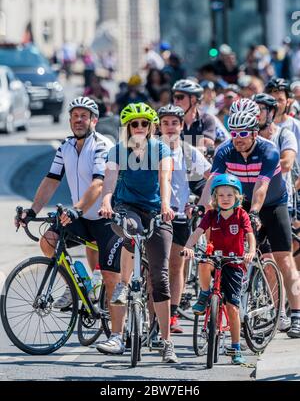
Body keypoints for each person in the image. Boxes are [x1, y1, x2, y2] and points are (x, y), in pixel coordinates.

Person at [15, 97, 124, 342]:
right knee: (48, 240)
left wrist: (75, 209)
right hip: (81, 215)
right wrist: (32, 211)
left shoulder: (101, 144)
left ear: (94, 120)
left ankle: (117, 335)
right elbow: (51, 179)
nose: (78, 120)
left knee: (110, 277)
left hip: (106, 218)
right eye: (74, 115)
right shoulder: (65, 146)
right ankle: (79, 283)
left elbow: (98, 183)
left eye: (84, 115)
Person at [199, 99, 300, 338]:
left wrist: (254, 213)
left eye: (243, 132)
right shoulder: (225, 150)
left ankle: (295, 313)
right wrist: (203, 209)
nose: (238, 138)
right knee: (231, 254)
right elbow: (211, 182)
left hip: (273, 204)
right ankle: (226, 308)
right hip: (241, 202)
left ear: (254, 132)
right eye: (234, 132)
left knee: (284, 259)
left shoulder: (269, 150)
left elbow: (262, 188)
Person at [98, 102, 178, 363]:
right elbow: (109, 181)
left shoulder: (161, 149)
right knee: (129, 229)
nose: (140, 128)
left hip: (156, 210)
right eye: (135, 124)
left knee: (160, 276)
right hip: (127, 207)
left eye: (144, 123)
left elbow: (164, 178)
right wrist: (106, 202)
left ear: (151, 126)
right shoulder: (117, 151)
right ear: (127, 128)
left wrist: (166, 205)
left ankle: (167, 343)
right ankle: (118, 327)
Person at [185, 174, 256, 364]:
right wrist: (188, 247)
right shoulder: (210, 215)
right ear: (215, 198)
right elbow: (197, 233)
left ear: (237, 197)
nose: (225, 199)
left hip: (234, 263)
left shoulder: (241, 215)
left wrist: (251, 251)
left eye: (229, 195)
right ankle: (205, 293)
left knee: (232, 307)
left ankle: (235, 348)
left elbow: (250, 235)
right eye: (221, 195)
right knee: (203, 263)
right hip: (214, 257)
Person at [158, 104, 211, 333]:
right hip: (155, 214)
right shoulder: (149, 149)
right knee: (155, 268)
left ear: (181, 126)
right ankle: (153, 317)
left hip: (178, 215)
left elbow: (213, 177)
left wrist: (199, 205)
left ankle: (171, 315)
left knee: (176, 265)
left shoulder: (188, 151)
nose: (170, 127)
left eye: (174, 123)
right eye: (165, 123)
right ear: (158, 126)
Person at [255, 92, 298, 331]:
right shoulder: (249, 137)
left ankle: (297, 314)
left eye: (261, 109)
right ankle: (278, 310)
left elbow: (288, 162)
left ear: (271, 112)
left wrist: (260, 169)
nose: (257, 114)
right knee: (266, 259)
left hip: (280, 201)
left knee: (285, 260)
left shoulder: (284, 133)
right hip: (255, 204)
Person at [172, 79, 216, 149]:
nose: (175, 101)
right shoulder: (169, 121)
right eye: (174, 97)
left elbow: (208, 145)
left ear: (193, 99)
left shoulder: (207, 119)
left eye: (179, 97)